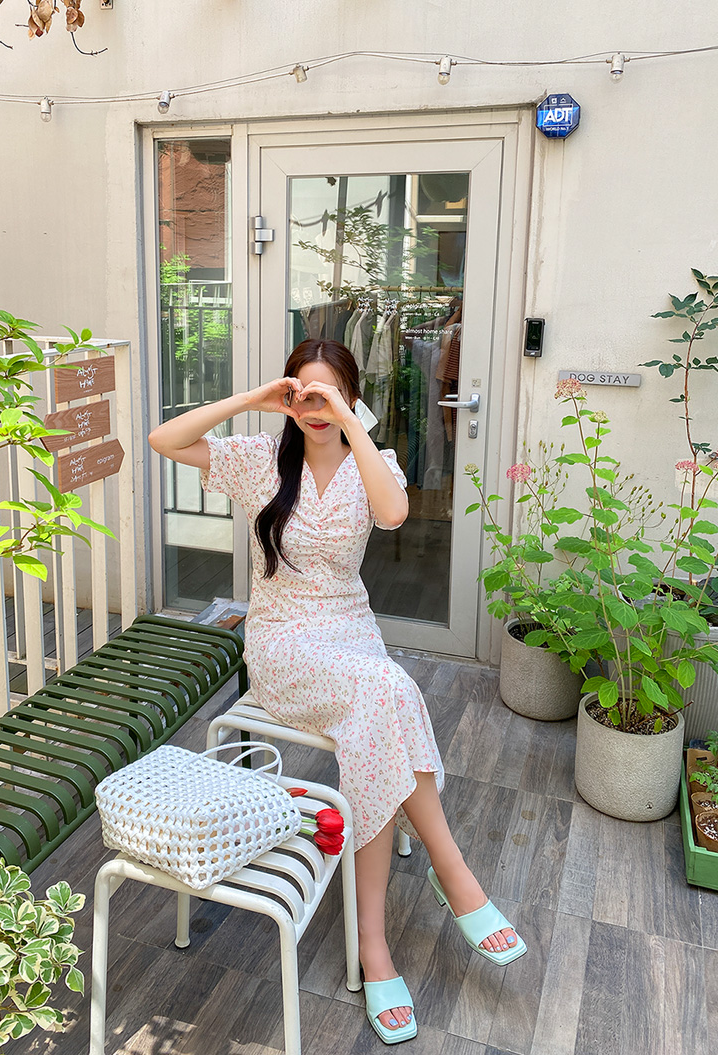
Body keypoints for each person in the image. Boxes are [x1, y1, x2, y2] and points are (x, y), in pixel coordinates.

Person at [148, 339, 526, 1045]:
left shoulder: (371, 463)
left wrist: (350, 423)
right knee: (387, 692)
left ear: (352, 397)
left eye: (328, 395)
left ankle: (374, 944)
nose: (313, 409)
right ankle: (452, 873)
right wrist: (256, 399)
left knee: (377, 712)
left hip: (352, 634)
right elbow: (163, 440)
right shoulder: (261, 460)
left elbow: (394, 514)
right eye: (303, 395)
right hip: (283, 645)